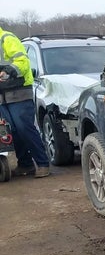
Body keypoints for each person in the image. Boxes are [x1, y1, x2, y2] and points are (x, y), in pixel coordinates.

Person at [0, 25, 50, 177]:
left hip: (19, 91)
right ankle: (25, 164)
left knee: (24, 127)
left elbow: (22, 61)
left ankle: (42, 164)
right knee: (11, 130)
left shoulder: (6, 39)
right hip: (2, 96)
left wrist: (7, 71)